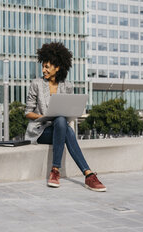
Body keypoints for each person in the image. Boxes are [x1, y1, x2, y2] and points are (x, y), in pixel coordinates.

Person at [24, 42, 106, 191]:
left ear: (58, 67)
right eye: (43, 66)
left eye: (47, 67)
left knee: (62, 121)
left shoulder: (67, 86)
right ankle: (86, 175)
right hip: (41, 131)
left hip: (60, 128)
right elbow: (28, 112)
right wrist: (44, 116)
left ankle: (62, 172)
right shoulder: (36, 84)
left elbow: (67, 111)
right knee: (62, 123)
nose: (43, 70)